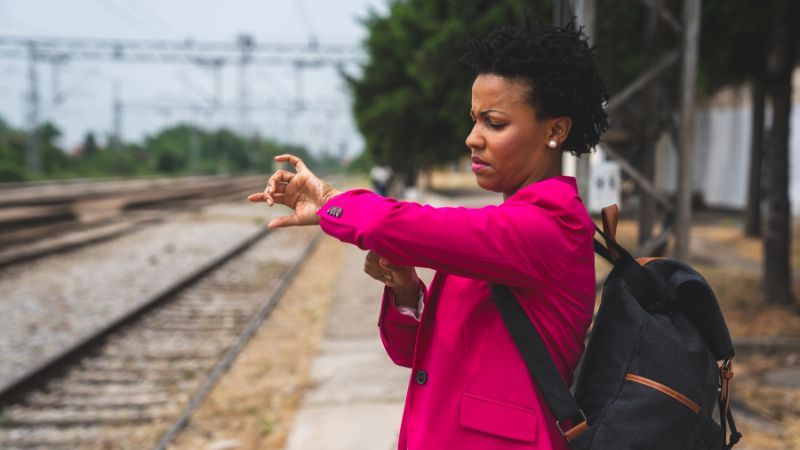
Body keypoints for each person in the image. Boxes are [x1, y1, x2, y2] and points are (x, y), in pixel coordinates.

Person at [248, 19, 609, 450]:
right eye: (474, 120)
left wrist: (329, 199)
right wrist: (405, 291)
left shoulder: (548, 225)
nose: (472, 138)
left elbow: (389, 223)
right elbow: (420, 357)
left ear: (555, 130)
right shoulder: (509, 226)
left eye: (494, 123)